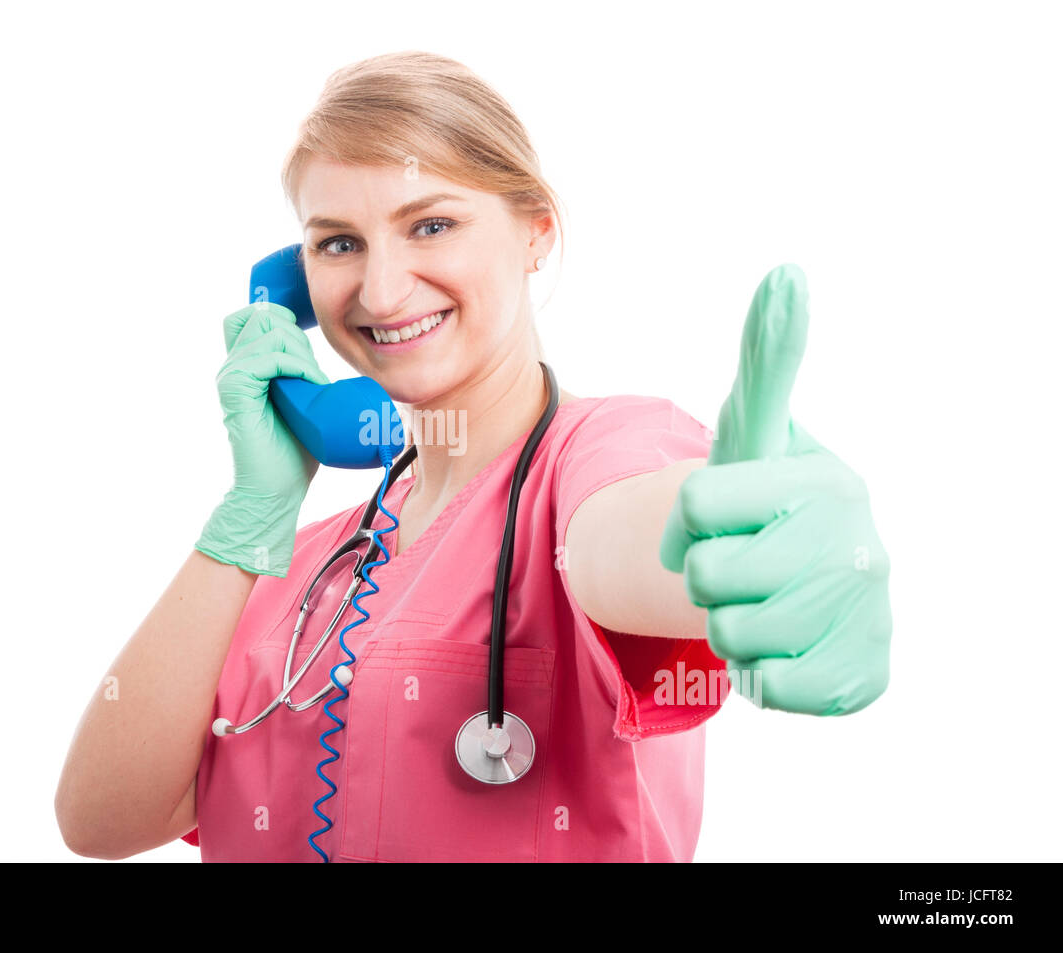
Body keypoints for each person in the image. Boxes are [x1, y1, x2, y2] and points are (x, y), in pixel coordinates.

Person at [54, 50, 891, 863]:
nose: (380, 292)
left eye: (432, 224)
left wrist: (762, 550)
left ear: (536, 231)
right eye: (338, 243)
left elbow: (634, 539)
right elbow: (100, 817)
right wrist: (252, 515)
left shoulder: (600, 455)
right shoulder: (294, 566)